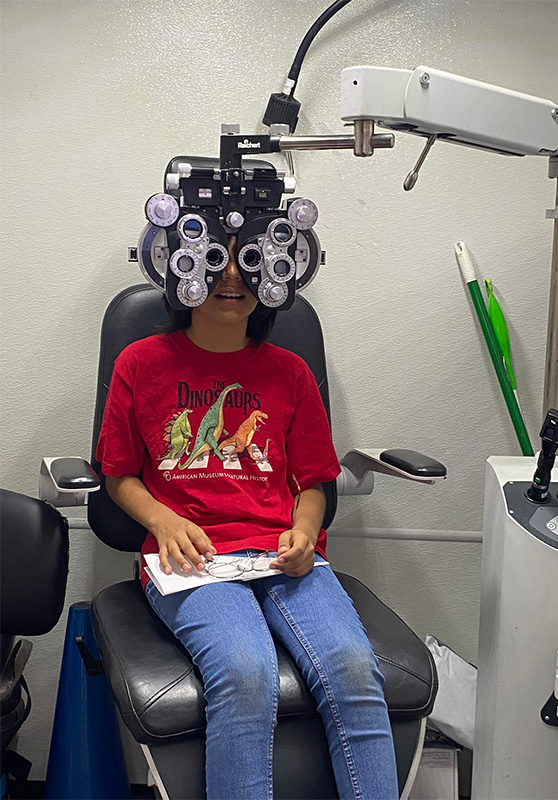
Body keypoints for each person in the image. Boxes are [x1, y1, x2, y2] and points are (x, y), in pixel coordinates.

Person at [96, 237, 399, 800]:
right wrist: (162, 520)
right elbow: (118, 476)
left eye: (247, 258)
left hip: (281, 555)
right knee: (244, 672)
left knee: (355, 670)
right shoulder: (139, 364)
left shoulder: (290, 373)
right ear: (183, 266)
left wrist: (306, 532)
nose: (231, 275)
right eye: (216, 257)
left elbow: (312, 484)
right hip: (192, 556)